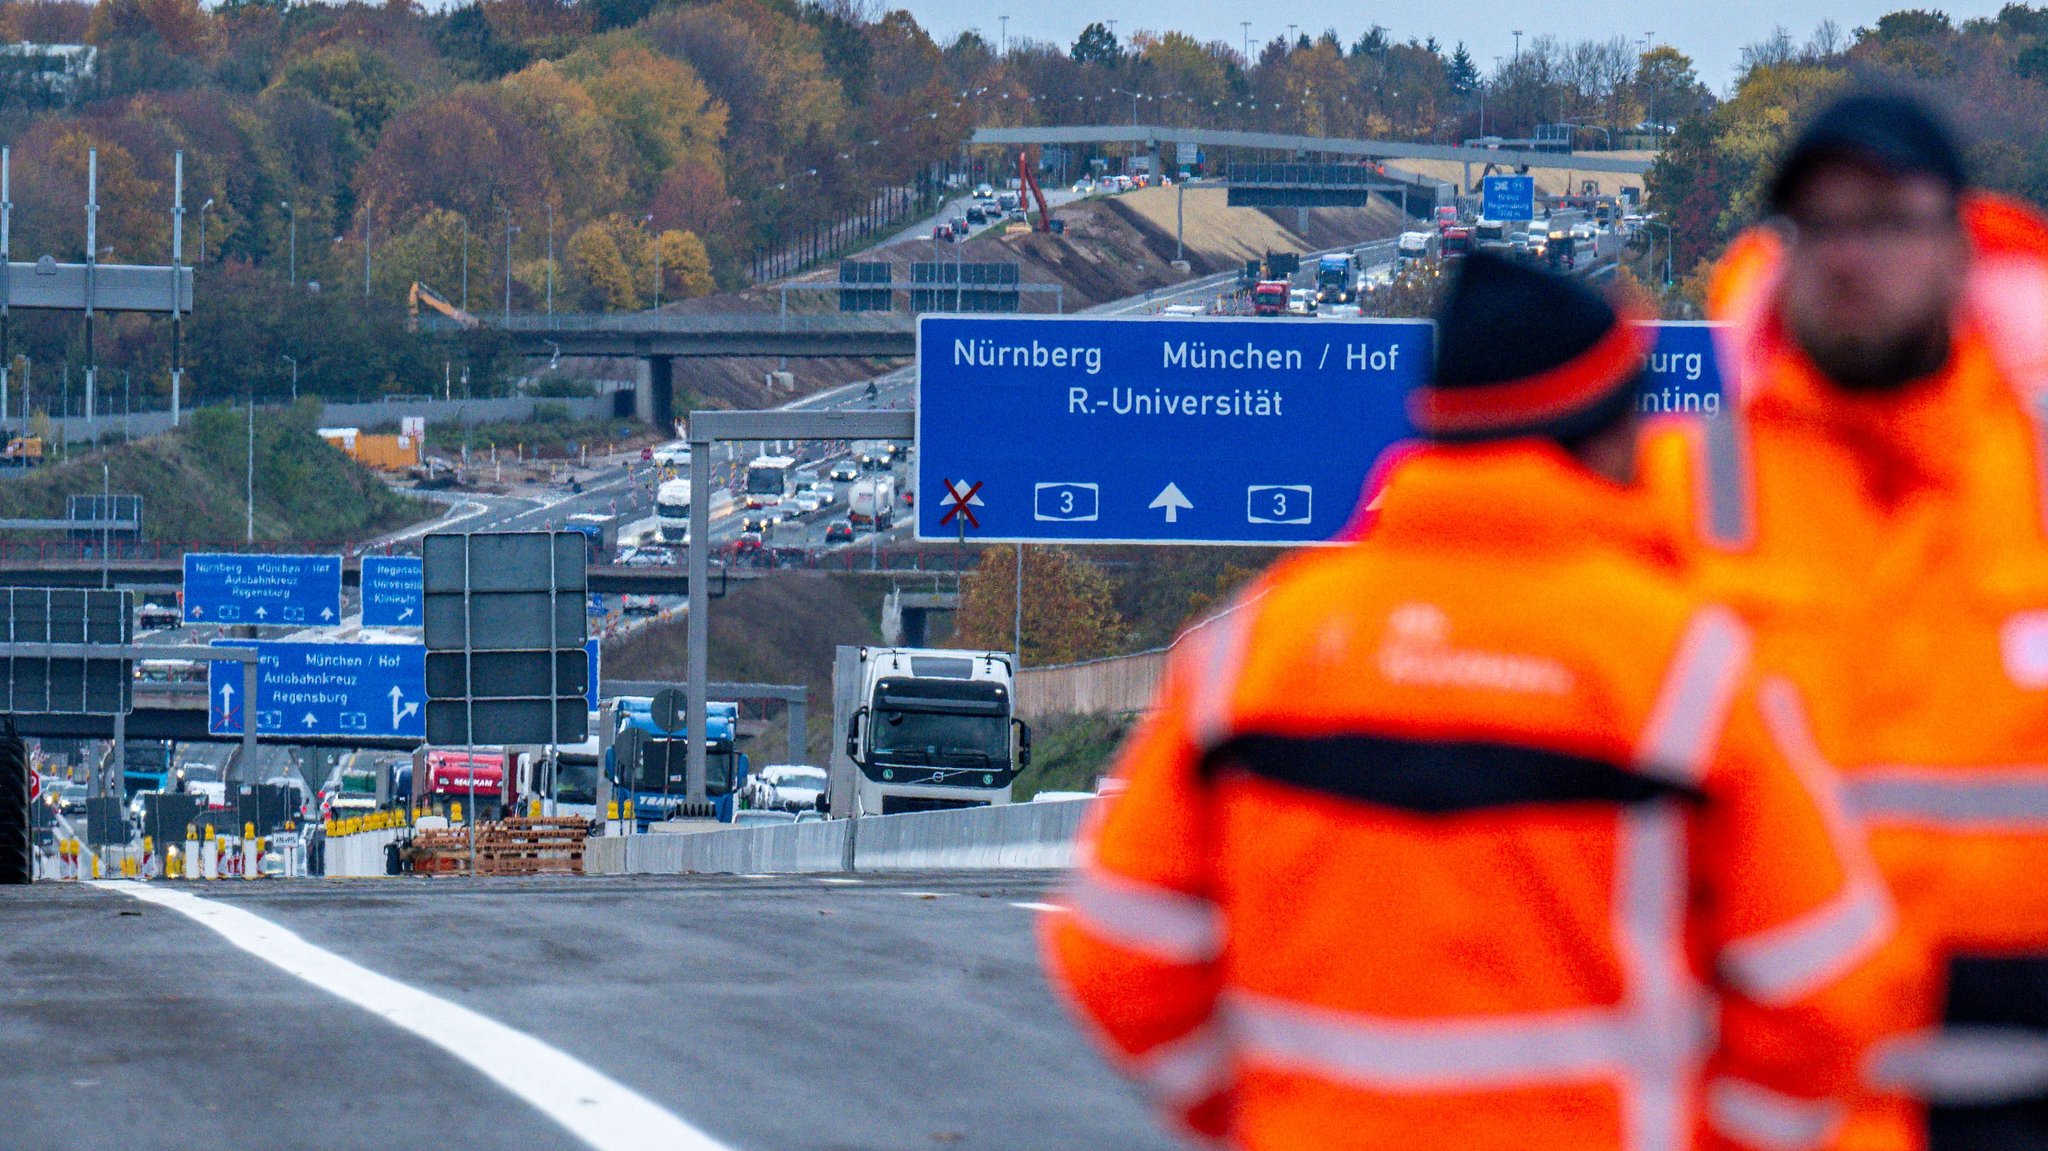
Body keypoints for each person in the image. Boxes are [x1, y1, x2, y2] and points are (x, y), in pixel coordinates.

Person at [1043, 253, 1894, 1151]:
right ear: (1602, 433)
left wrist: (1246, 1108)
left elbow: (1115, 946)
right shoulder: (1685, 666)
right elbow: (1827, 985)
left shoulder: (1253, 652)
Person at [1641, 90, 2048, 1150]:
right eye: (1819, 224)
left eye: (1885, 219)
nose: (1848, 254)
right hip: (1759, 1098)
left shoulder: (2038, 478)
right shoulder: (1680, 491)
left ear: (1958, 245)